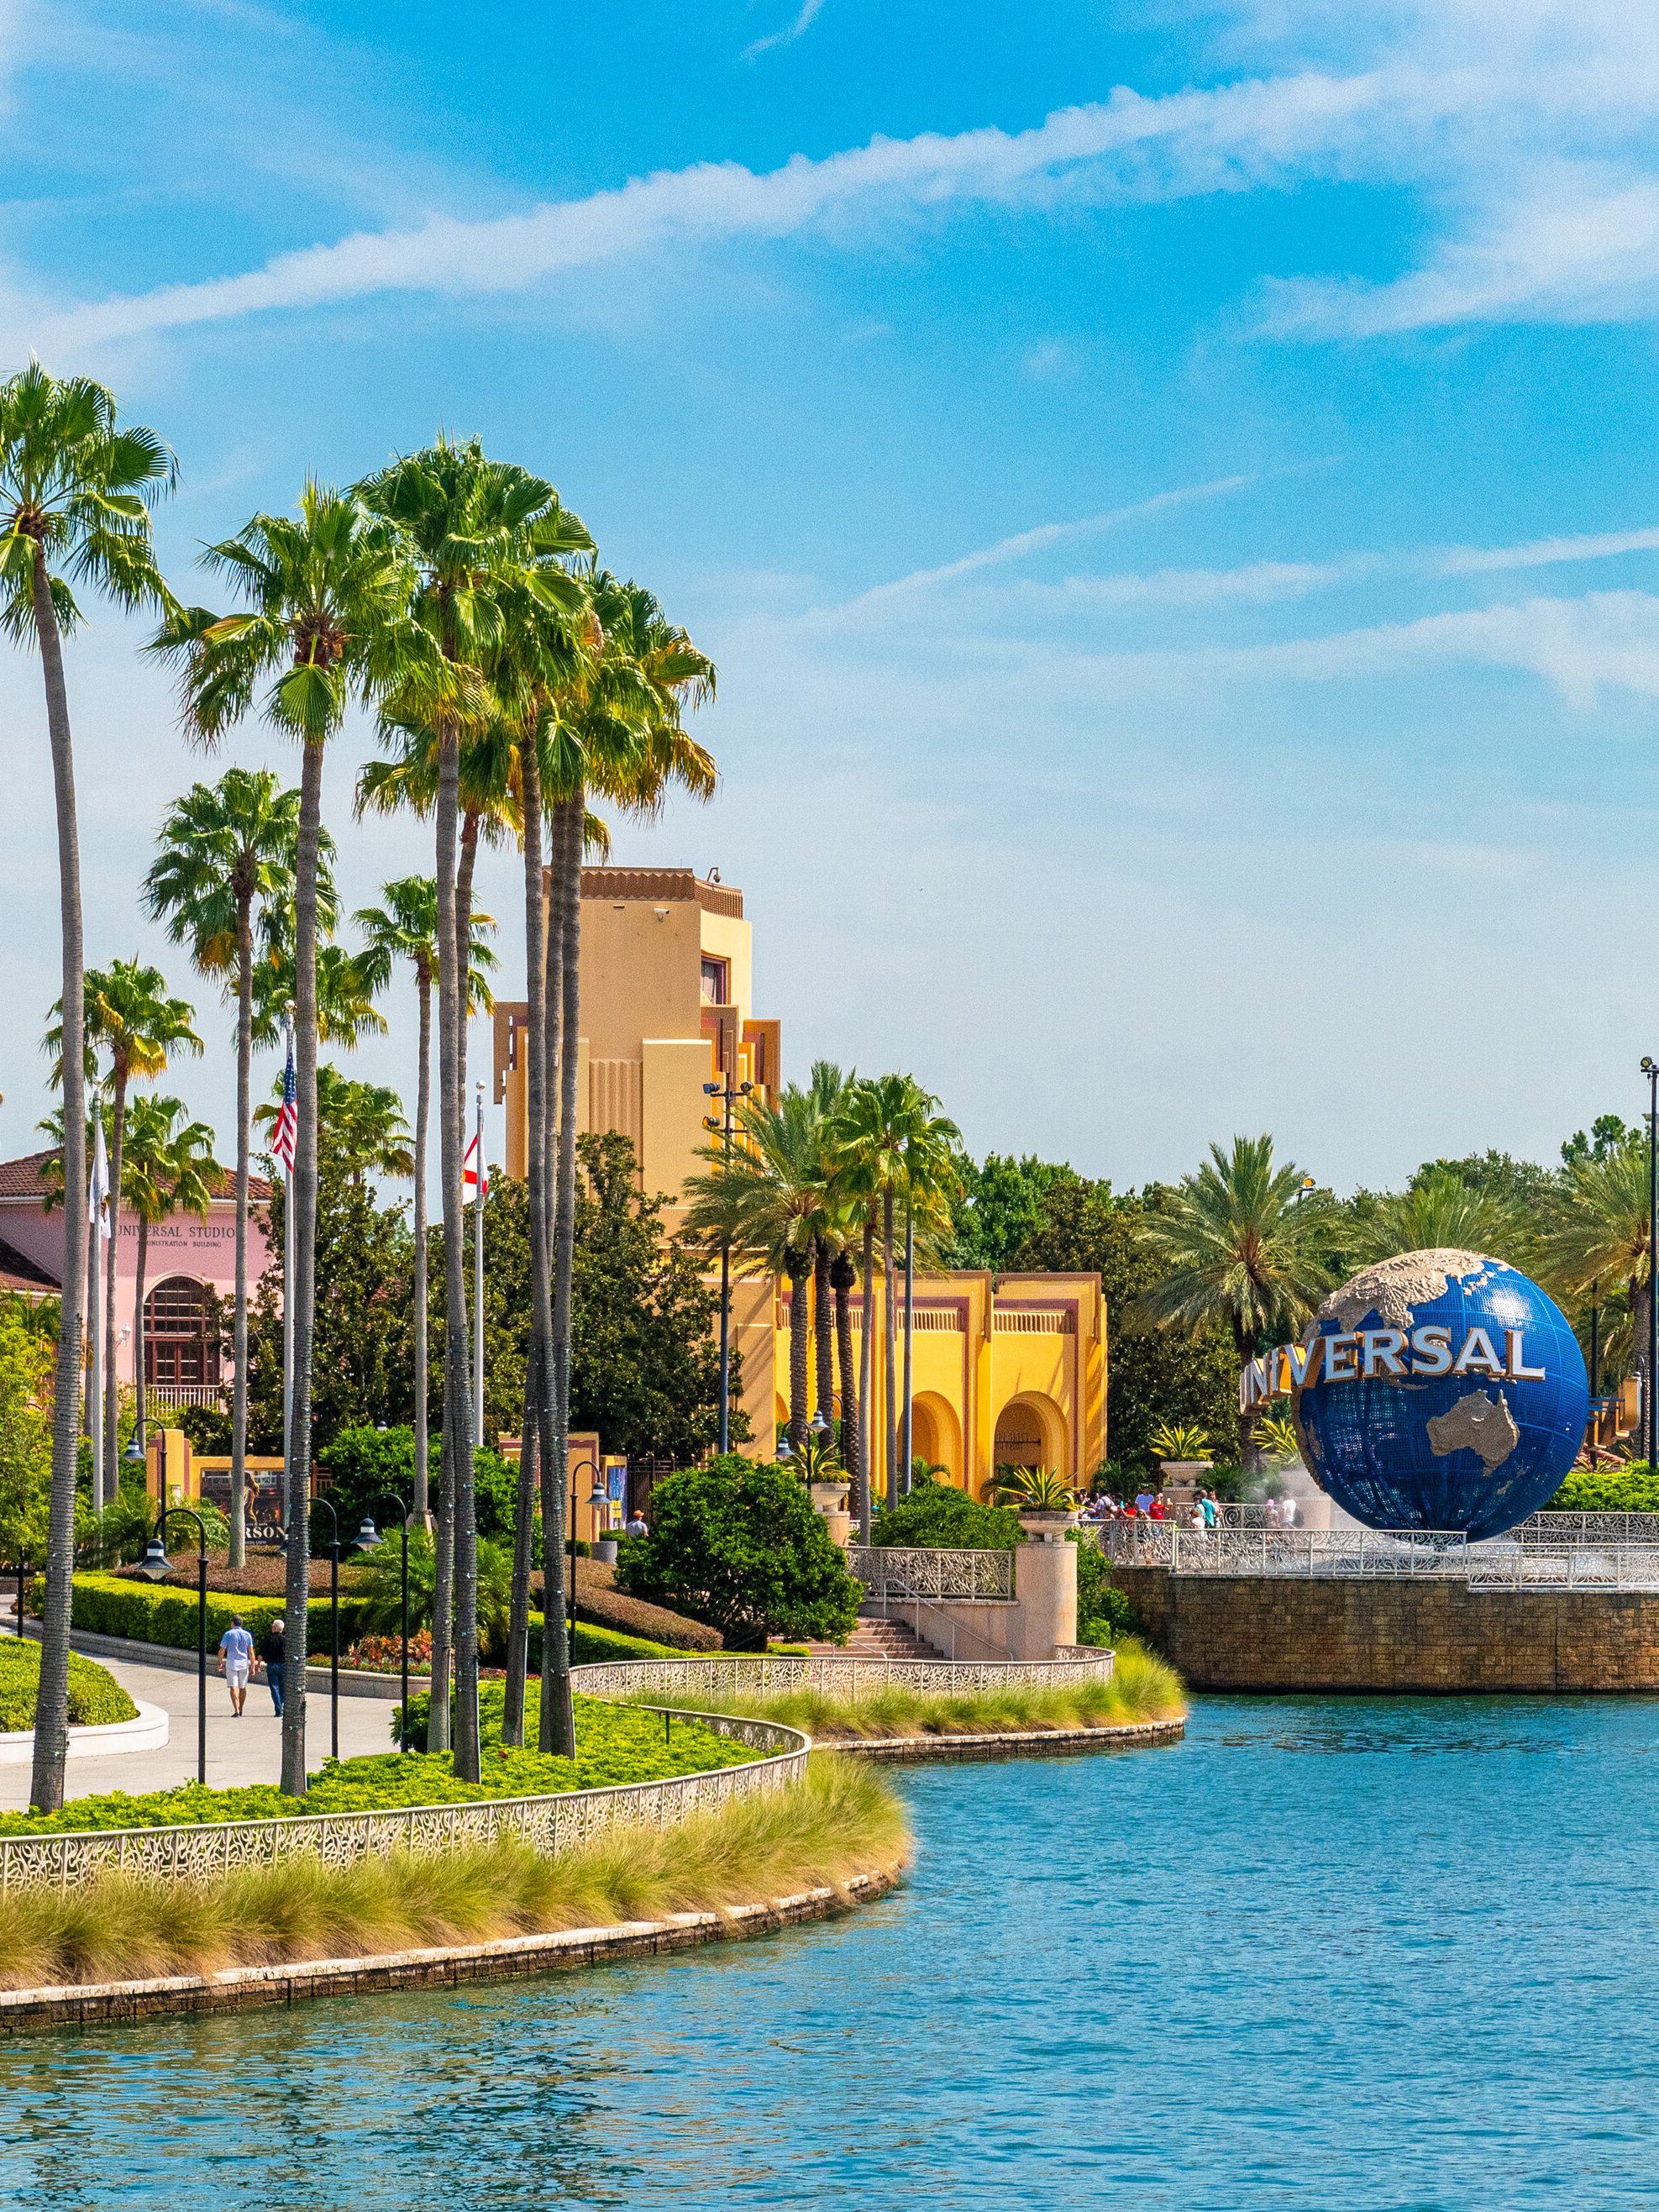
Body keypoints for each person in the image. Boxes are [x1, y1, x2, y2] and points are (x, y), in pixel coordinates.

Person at [218, 1615, 255, 1715]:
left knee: (233, 1687)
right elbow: (251, 1652)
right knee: (242, 1687)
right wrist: (253, 1666)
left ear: (233, 1623)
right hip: (243, 1663)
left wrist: (220, 1662)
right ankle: (241, 1707)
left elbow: (222, 1650)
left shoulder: (228, 1634)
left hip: (232, 1663)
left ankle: (236, 1710)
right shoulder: (247, 1635)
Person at [260, 1616, 286, 1716]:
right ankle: (281, 1706)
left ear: (275, 1628)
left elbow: (261, 1654)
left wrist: (258, 1664)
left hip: (271, 1665)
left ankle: (279, 1709)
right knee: (282, 1687)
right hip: (283, 1665)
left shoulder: (269, 1639)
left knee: (274, 1687)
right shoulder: (285, 1640)